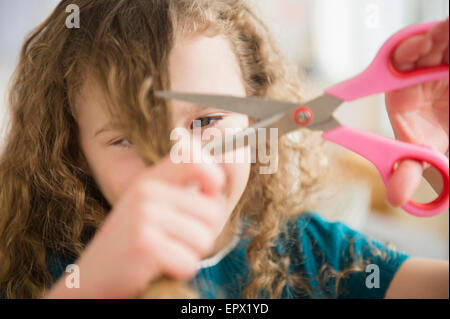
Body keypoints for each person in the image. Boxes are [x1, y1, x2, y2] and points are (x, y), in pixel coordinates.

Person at [0, 0, 448, 299]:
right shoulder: (35, 266)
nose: (183, 163)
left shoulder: (312, 254)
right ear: (74, 154)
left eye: (207, 122)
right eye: (130, 139)